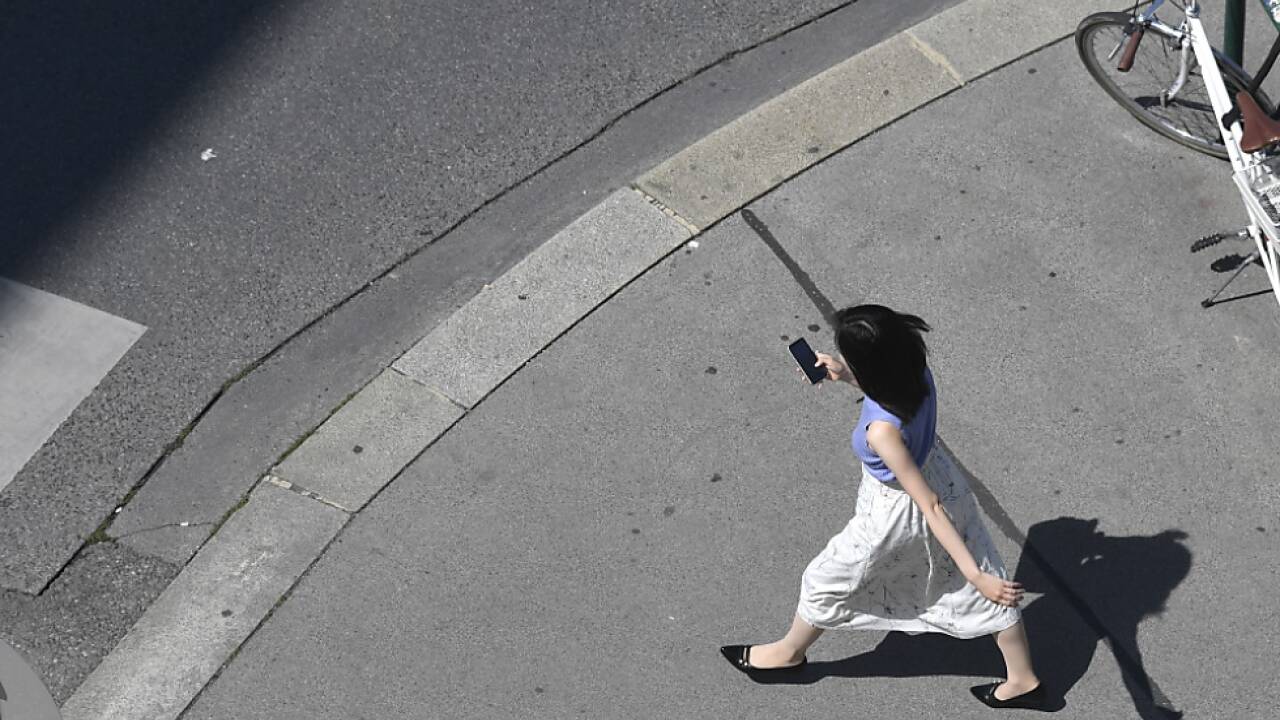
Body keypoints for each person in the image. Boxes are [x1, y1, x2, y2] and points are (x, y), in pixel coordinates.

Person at [720, 304, 1046, 710]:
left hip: (898, 509)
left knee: (828, 579)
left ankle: (789, 654)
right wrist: (844, 374)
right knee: (984, 587)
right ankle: (1023, 680)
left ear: (873, 368)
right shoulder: (916, 370)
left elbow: (926, 504)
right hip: (942, 477)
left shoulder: (882, 432)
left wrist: (974, 574)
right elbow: (891, 395)